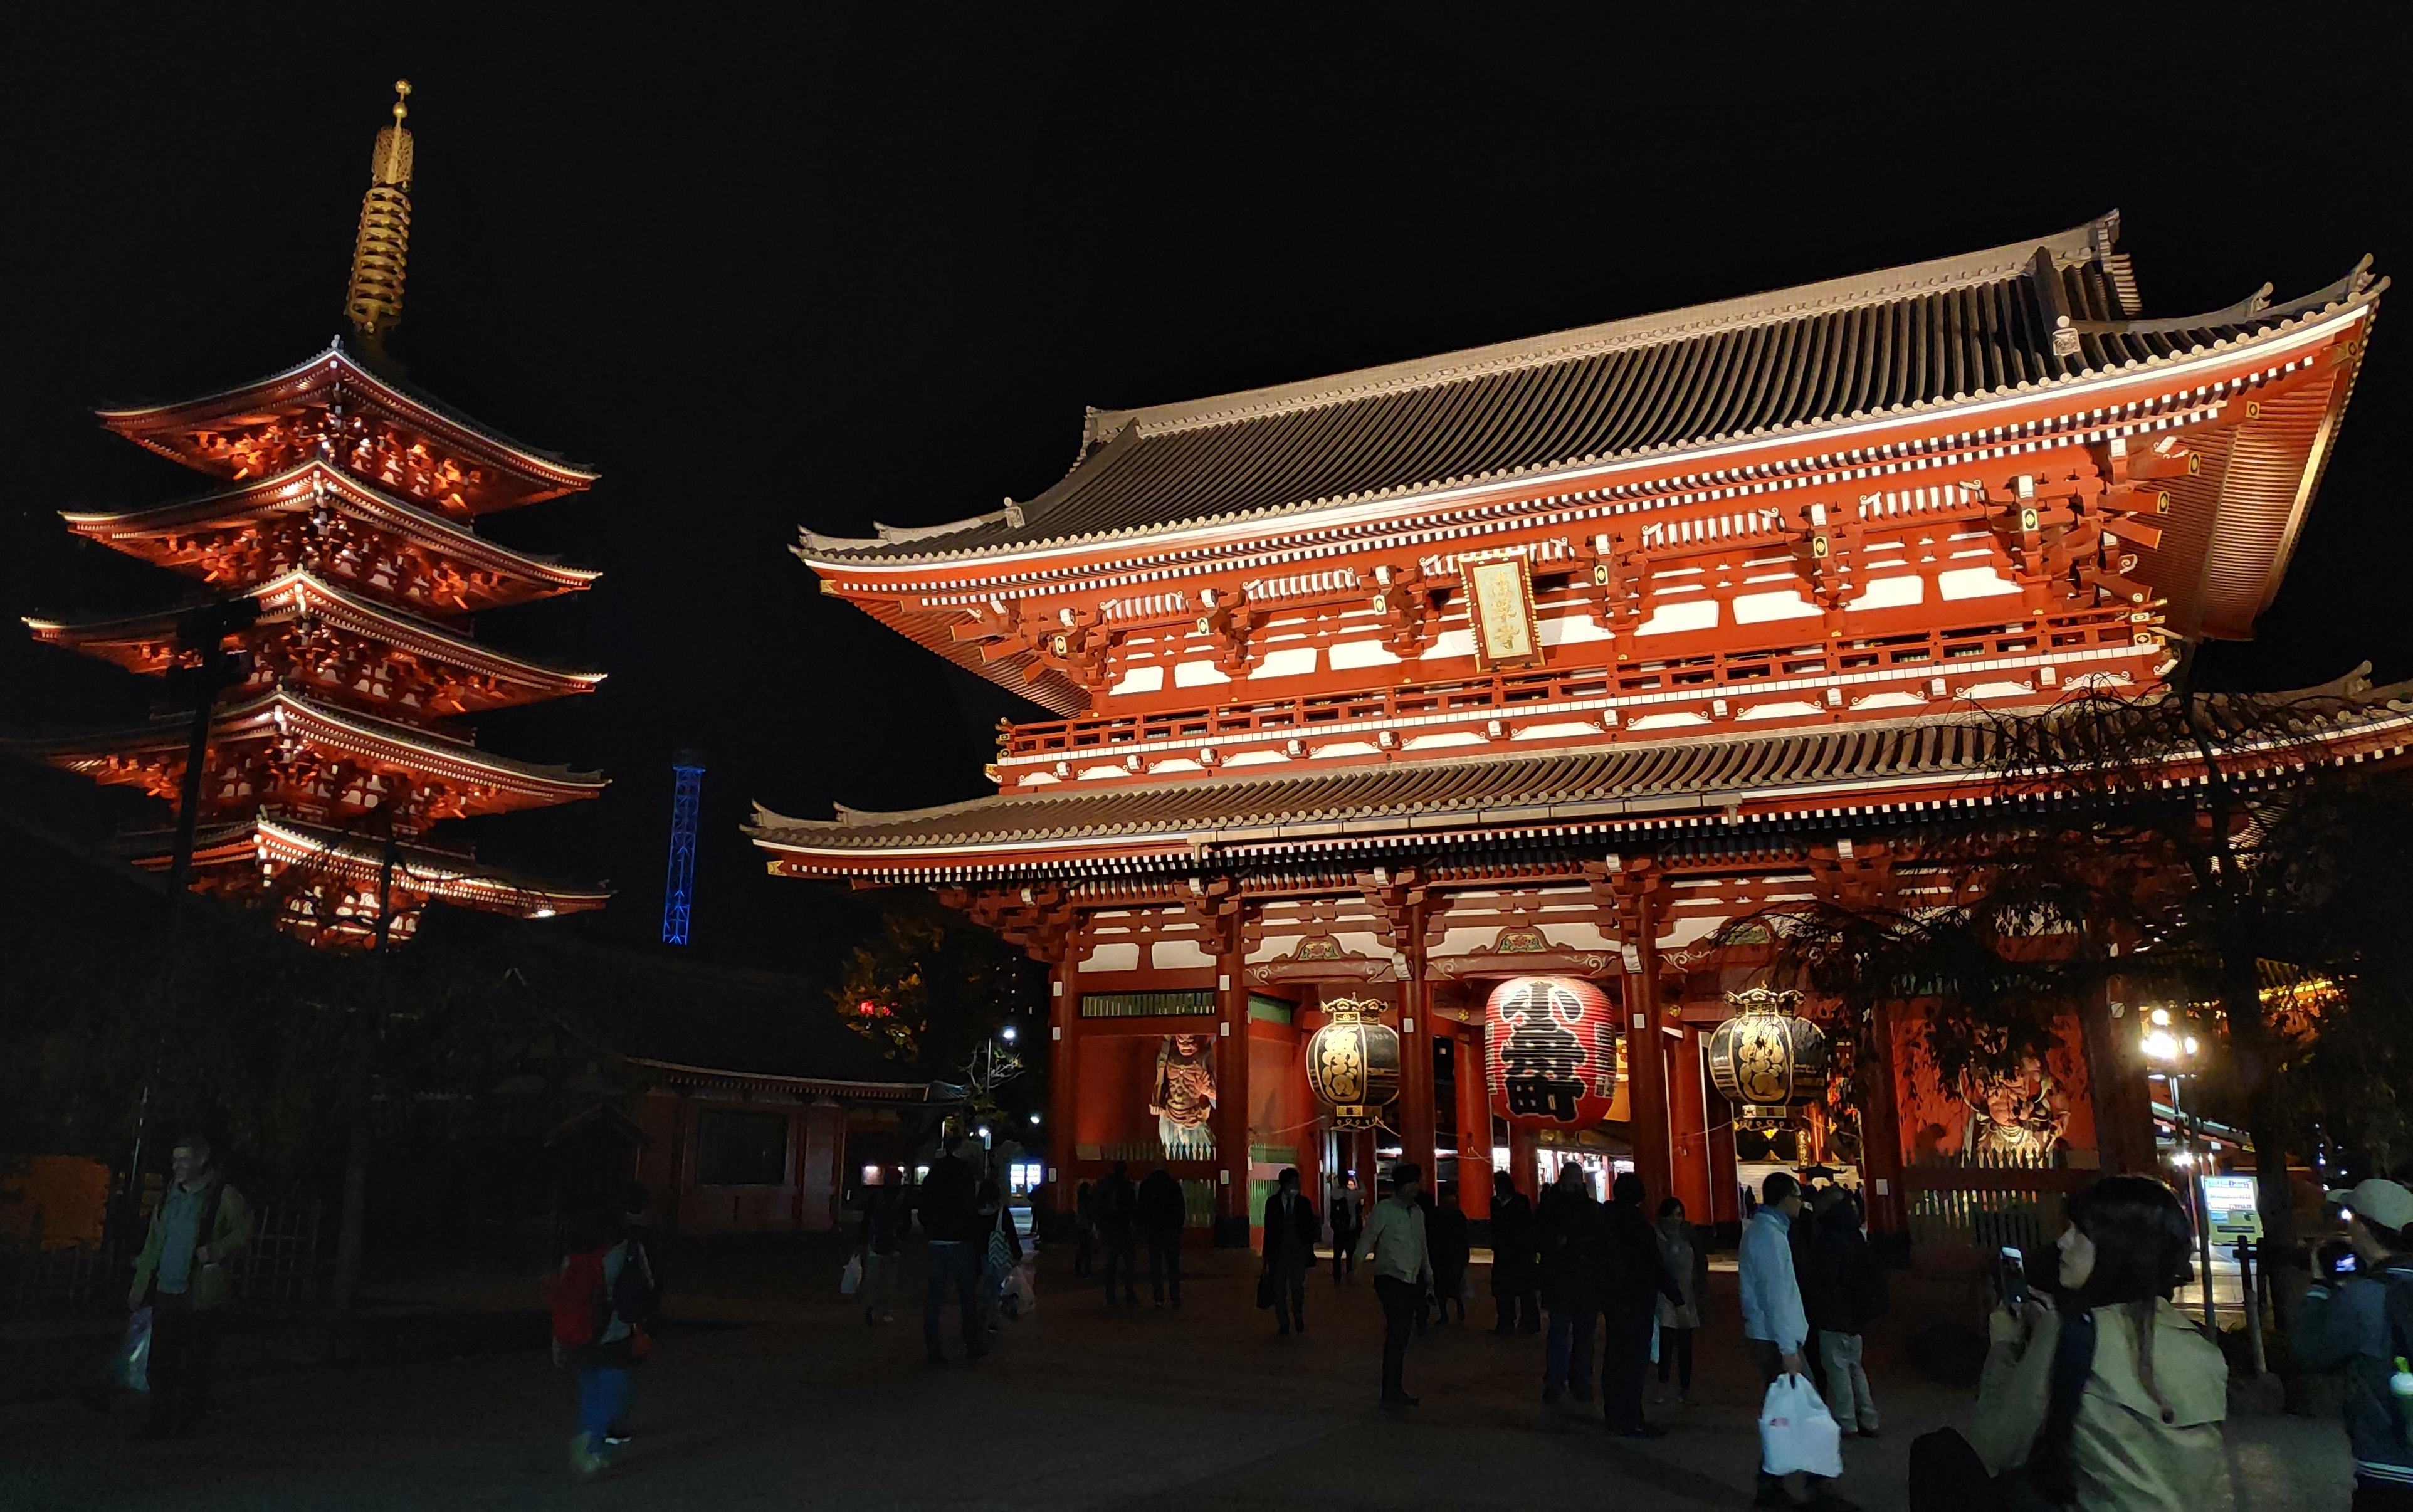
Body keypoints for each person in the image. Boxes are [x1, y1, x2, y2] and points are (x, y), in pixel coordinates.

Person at [1961, 1175, 2229, 1512]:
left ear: (2118, 1248)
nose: (2062, 1242)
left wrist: (2004, 1345)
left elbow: (1994, 1446)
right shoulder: (2201, 1347)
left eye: (2080, 1233)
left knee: (1939, 1457)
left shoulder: (2069, 1333)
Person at [2295, 1177, 2413, 1509]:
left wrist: (2320, 1285)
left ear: (2363, 1228)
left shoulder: (2365, 1297)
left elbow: (2309, 1350)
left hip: (2386, 1471)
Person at [126, 1135, 250, 1439]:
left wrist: (216, 1249)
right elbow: (154, 1242)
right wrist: (139, 1287)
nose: (177, 1165)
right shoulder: (169, 1196)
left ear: (201, 1160)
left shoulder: (222, 1196)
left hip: (201, 1295)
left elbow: (243, 1233)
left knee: (195, 1362)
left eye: (184, 1158)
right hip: (168, 1290)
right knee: (161, 1362)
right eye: (175, 1159)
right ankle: (161, 1419)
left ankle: (188, 1419)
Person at [1741, 1171, 1841, 1509]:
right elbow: (1776, 1296)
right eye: (1798, 1196)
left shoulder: (1766, 1232)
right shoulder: (1769, 1237)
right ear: (1785, 1198)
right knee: (1804, 1413)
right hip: (1776, 1340)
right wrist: (1788, 1349)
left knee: (1787, 1413)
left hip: (1771, 1336)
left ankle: (1775, 1484)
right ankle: (1813, 1487)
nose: (1801, 1202)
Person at [550, 1204, 655, 1478]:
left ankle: (592, 1447)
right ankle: (590, 1441)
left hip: (580, 1336)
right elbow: (643, 1289)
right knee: (616, 1389)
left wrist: (558, 1340)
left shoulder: (572, 1258)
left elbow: (563, 1299)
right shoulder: (624, 1252)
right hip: (613, 1334)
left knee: (591, 1391)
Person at [1599, 1171, 1686, 1437]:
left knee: (1615, 1355)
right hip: (1636, 1298)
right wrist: (1677, 1298)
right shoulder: (1638, 1226)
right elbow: (1655, 1265)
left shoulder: (1603, 1221)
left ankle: (1614, 1412)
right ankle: (1631, 1417)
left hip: (1612, 1296)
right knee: (1634, 1360)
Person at [1804, 1185, 1886, 1438]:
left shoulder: (1828, 1238)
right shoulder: (1854, 1235)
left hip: (1834, 1313)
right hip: (1856, 1313)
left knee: (1837, 1368)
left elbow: (1825, 1279)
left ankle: (1846, 1420)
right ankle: (1868, 1417)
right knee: (1855, 1367)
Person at [1357, 1163, 1434, 1405]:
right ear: (1403, 1185)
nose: (1418, 1187)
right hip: (1390, 1276)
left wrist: (1429, 1277)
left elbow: (1423, 1246)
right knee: (1399, 1329)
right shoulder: (1384, 1210)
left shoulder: (1418, 1213)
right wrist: (1356, 1265)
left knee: (1402, 1333)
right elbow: (1368, 1238)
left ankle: (1394, 1387)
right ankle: (1391, 1389)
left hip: (1411, 1277)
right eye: (1415, 1182)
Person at [917, 1133, 988, 1363]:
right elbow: (968, 1207)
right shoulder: (964, 1174)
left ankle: (932, 1346)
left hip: (937, 1240)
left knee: (935, 1295)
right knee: (967, 1293)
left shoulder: (934, 1173)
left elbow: (923, 1206)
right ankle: (971, 1342)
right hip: (959, 1240)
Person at [1653, 1195, 1709, 1405]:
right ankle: (1663, 1382)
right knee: (1666, 1344)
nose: (1675, 1220)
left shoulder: (1689, 1235)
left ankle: (1685, 1387)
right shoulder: (1657, 1235)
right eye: (1671, 1214)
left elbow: (1701, 1264)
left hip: (1688, 1296)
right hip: (1665, 1297)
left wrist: (1701, 1289)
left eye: (1679, 1215)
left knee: (1686, 1345)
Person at [1261, 1167, 1320, 1335]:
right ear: (1285, 1184)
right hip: (1278, 1252)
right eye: (1294, 1183)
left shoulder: (1303, 1203)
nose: (1297, 1186)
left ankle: (1298, 1316)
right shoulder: (1272, 1203)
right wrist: (1266, 1257)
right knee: (1279, 1288)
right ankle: (1283, 1322)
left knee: (1297, 1286)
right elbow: (1269, 1230)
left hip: (1298, 1252)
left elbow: (1309, 1228)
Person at [1490, 1170, 1541, 1335]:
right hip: (1508, 1252)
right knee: (1508, 1291)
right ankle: (1508, 1322)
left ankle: (1525, 1322)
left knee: (1523, 1290)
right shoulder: (1498, 1203)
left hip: (1519, 1252)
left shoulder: (1517, 1202)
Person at [855, 1180, 907, 1325]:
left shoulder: (875, 1198)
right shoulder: (901, 1200)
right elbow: (905, 1223)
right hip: (893, 1245)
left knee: (872, 1279)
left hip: (874, 1243)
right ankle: (886, 1311)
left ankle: (870, 1308)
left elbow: (866, 1221)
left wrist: (861, 1242)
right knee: (889, 1280)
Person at [976, 1177, 1023, 1331]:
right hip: (999, 1255)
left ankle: (981, 1316)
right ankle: (994, 1319)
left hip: (982, 1255)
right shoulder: (1002, 1211)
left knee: (985, 1287)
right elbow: (1011, 1234)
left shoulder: (976, 1211)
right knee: (997, 1287)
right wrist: (1017, 1254)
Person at [1137, 1165, 1186, 1307]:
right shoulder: (1173, 1185)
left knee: (1155, 1265)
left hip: (1154, 1232)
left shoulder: (1146, 1185)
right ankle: (1175, 1295)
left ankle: (1158, 1297)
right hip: (1171, 1232)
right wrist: (1177, 1229)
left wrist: (1143, 1230)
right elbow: (1180, 1210)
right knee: (1173, 1266)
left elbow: (1141, 1210)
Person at [1096, 1160, 1140, 1305]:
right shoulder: (1127, 1186)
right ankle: (1129, 1293)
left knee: (1111, 1263)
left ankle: (1111, 1295)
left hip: (1110, 1229)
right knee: (1128, 1263)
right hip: (1124, 1228)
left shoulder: (1106, 1185)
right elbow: (1133, 1208)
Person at [1428, 1182, 1471, 1325]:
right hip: (1442, 1256)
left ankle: (1456, 1306)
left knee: (1453, 1284)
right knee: (1442, 1287)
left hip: (1452, 1256)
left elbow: (1464, 1238)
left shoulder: (1456, 1216)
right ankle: (1445, 1313)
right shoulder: (1440, 1215)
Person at [1330, 1172, 1363, 1282]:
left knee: (1337, 1255)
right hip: (1350, 1228)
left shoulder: (1334, 1192)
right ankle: (1349, 1274)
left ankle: (1337, 1276)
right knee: (1350, 1254)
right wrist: (1358, 1178)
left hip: (1339, 1228)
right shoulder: (1353, 1195)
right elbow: (1364, 1192)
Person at [1072, 1179, 1097, 1279]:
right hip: (1086, 1227)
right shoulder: (1088, 1203)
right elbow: (1089, 1215)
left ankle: (1079, 1269)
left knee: (1083, 1249)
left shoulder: (1080, 1202)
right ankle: (1086, 1270)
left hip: (1081, 1227)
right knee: (1087, 1250)